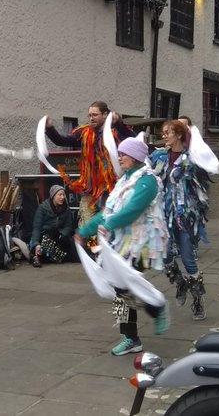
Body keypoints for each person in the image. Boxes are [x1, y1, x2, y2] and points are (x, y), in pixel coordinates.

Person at [78, 137, 169, 356]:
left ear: (136, 156)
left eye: (123, 154)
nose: (118, 158)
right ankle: (132, 334)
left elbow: (133, 210)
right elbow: (108, 211)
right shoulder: (125, 179)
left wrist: (108, 224)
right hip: (121, 243)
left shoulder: (147, 180)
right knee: (122, 289)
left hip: (141, 243)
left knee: (126, 286)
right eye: (118, 153)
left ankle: (153, 310)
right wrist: (84, 231)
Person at [150, 119, 211, 322]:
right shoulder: (158, 155)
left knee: (187, 258)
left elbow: (207, 168)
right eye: (163, 133)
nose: (164, 136)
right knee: (166, 257)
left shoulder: (191, 158)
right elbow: (139, 164)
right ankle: (180, 284)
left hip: (185, 217)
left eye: (168, 132)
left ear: (178, 135)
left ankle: (197, 300)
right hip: (163, 216)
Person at [44, 101, 135, 227]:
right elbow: (62, 140)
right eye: (90, 115)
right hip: (90, 190)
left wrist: (118, 122)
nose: (91, 118)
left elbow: (133, 139)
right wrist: (49, 128)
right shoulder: (84, 133)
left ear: (105, 114)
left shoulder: (116, 132)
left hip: (111, 189)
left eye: (95, 115)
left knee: (108, 226)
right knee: (88, 227)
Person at [28, 184, 75, 267]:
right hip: (45, 235)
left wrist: (62, 235)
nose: (62, 197)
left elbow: (68, 226)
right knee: (37, 243)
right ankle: (36, 255)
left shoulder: (66, 209)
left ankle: (43, 256)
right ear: (53, 196)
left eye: (63, 195)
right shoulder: (42, 208)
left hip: (59, 236)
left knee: (68, 246)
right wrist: (36, 243)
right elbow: (37, 228)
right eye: (59, 195)